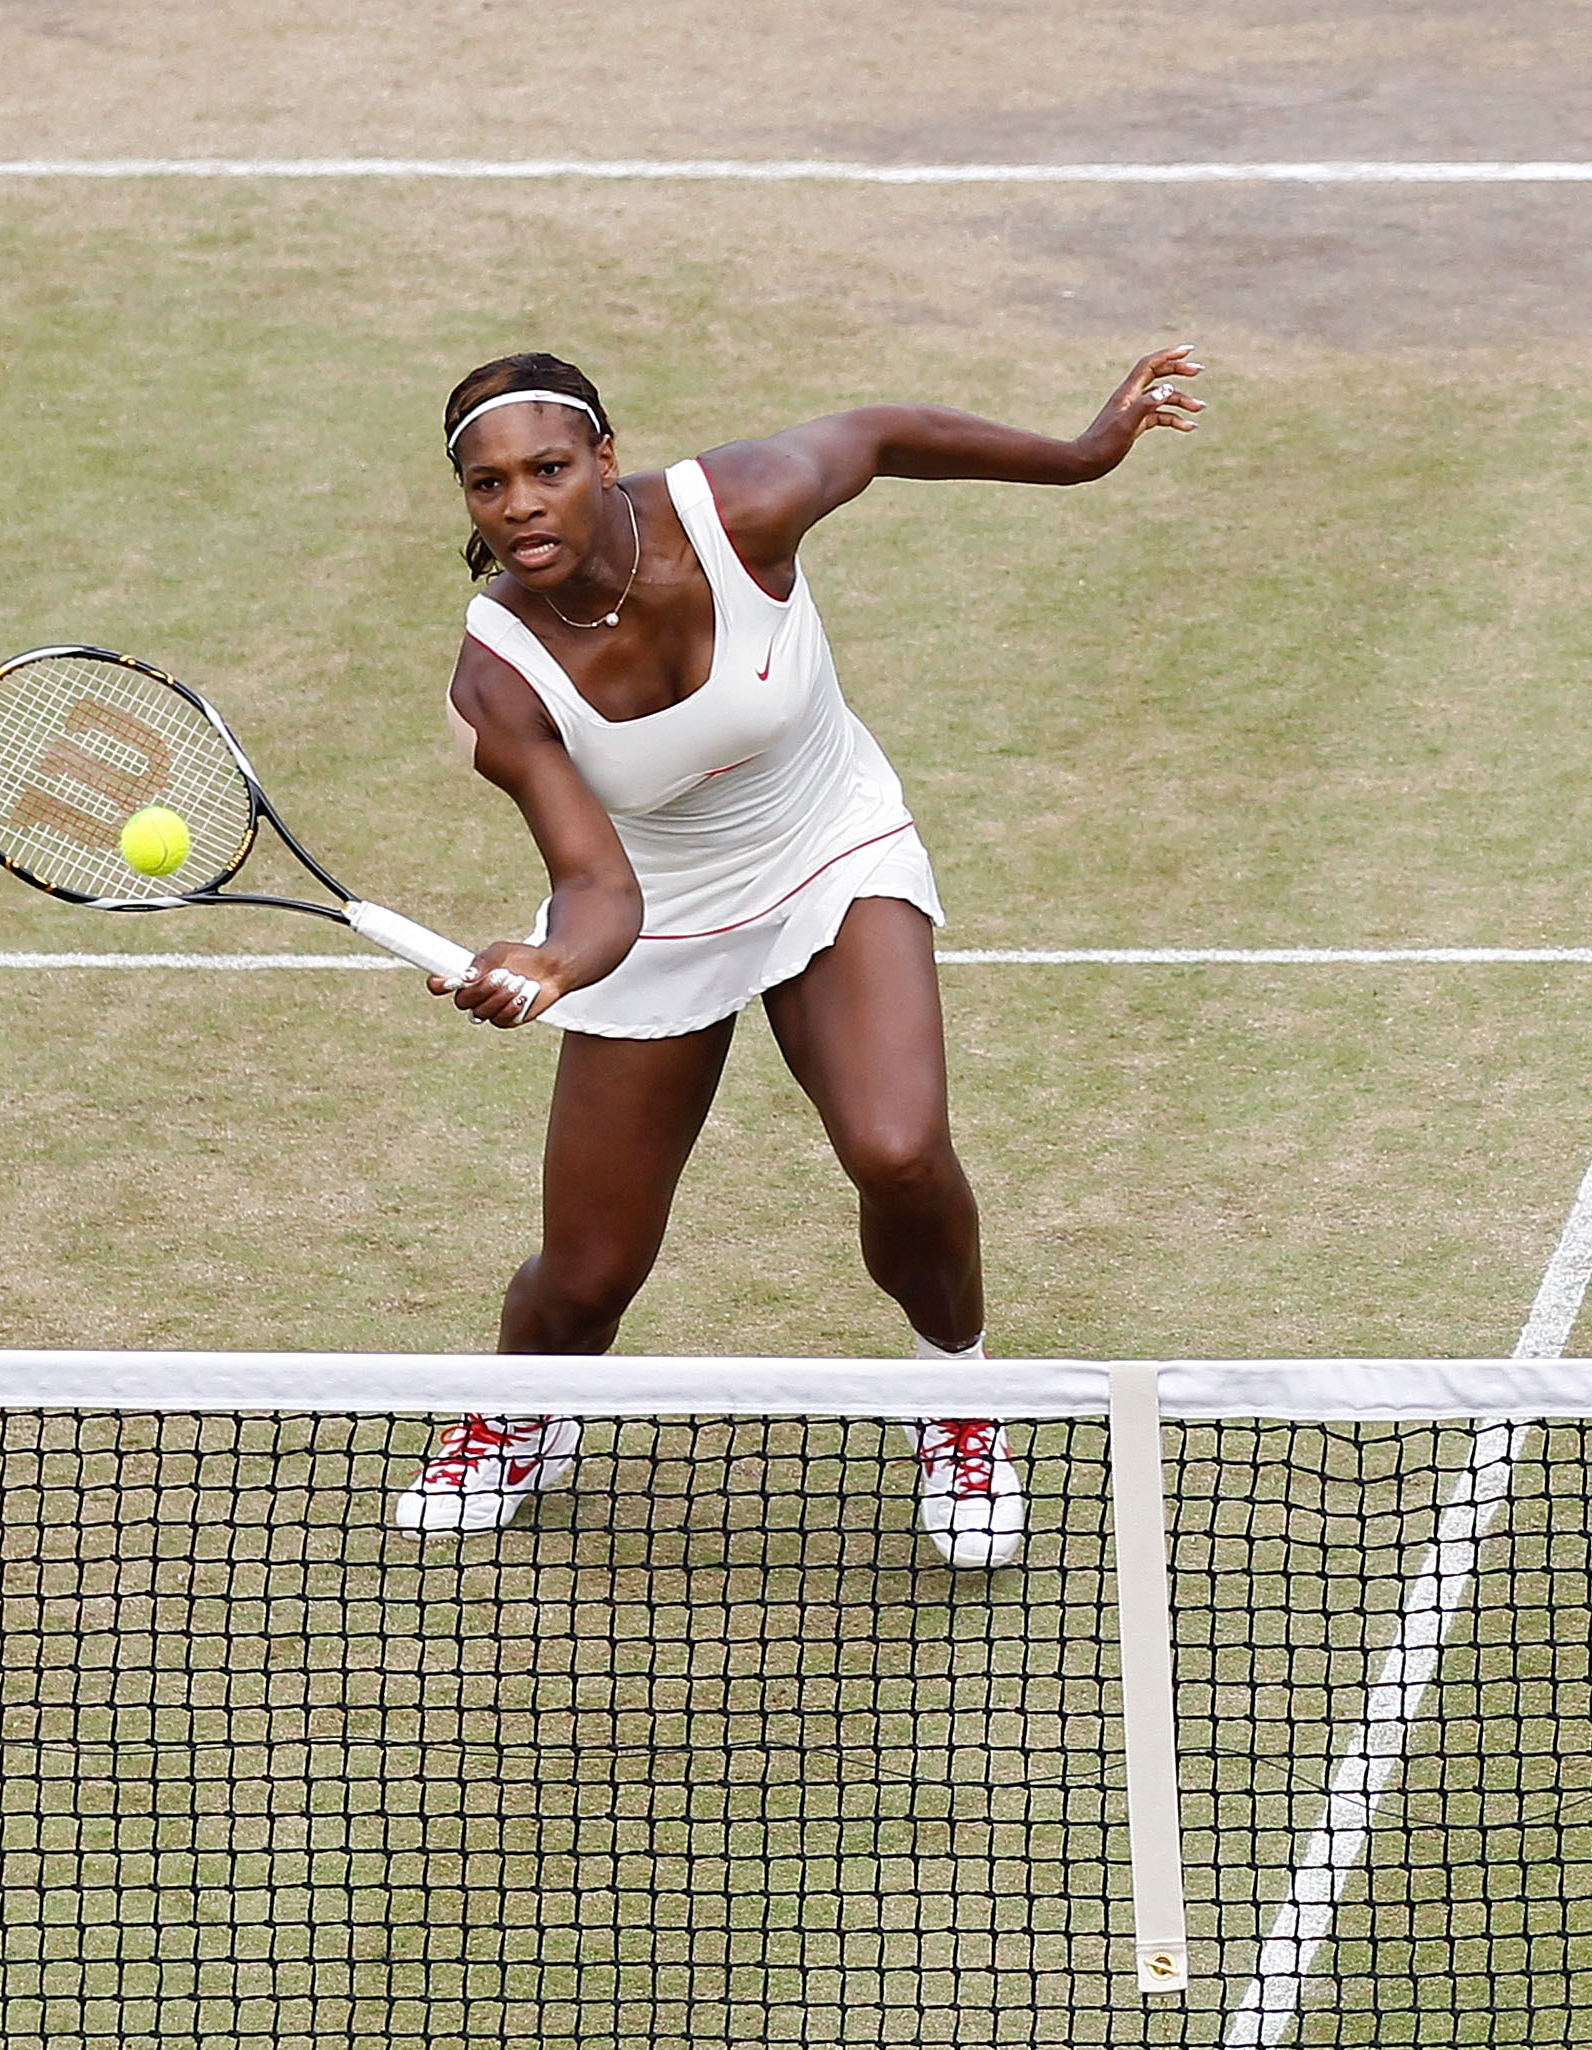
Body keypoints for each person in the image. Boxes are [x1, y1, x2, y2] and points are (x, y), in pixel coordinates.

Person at [390, 345, 1204, 1559]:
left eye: (547, 470)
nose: (520, 505)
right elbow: (600, 889)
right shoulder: (496, 677)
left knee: (899, 1148)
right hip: (659, 906)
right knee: (588, 1273)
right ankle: (522, 1414)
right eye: (488, 485)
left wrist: (1081, 454)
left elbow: (881, 431)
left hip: (830, 845)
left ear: (605, 459)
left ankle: (957, 1395)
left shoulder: (741, 507)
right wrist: (554, 963)